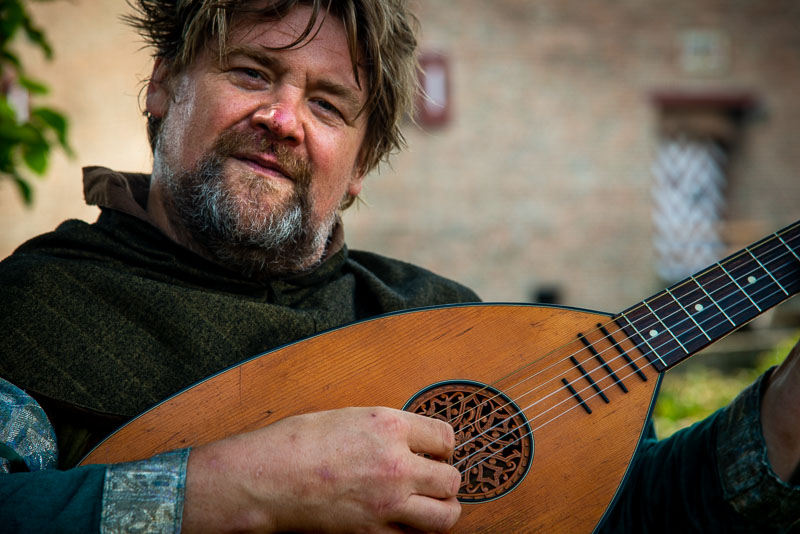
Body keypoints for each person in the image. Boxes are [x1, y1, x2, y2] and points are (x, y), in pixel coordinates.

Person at [0, 0, 798, 532]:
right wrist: (243, 487)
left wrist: (785, 425)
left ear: (358, 169)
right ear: (164, 88)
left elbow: (624, 514)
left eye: (327, 104)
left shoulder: (437, 314)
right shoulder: (35, 307)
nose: (282, 118)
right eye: (250, 72)